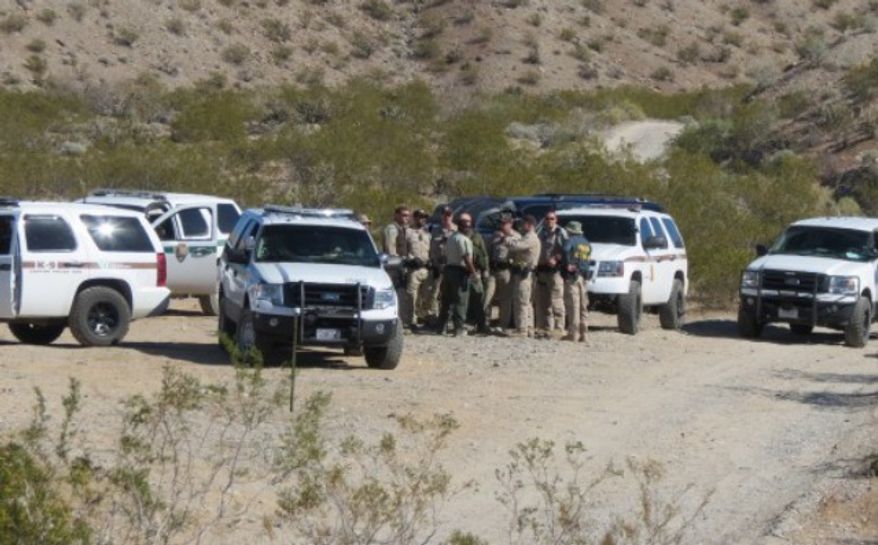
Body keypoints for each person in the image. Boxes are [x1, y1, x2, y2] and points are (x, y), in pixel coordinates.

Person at [436, 214, 477, 337]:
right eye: (466, 227)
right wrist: (474, 273)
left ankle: (441, 327)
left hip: (448, 269)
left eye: (468, 227)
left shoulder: (451, 238)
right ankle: (459, 328)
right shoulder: (464, 240)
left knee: (446, 301)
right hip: (459, 271)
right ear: (461, 227)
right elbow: (466, 258)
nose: (468, 229)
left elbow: (444, 255)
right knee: (461, 301)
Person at [504, 215, 540, 338]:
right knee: (526, 302)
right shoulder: (527, 237)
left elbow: (516, 246)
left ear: (529, 224)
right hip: (522, 272)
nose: (521, 225)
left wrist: (507, 239)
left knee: (521, 301)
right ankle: (529, 328)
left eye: (524, 223)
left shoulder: (530, 238)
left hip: (525, 273)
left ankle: (522, 329)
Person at [535, 210, 568, 338]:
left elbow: (567, 249)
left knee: (557, 301)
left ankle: (559, 328)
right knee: (544, 301)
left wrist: (556, 258)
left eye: (552, 218)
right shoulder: (541, 231)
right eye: (547, 218)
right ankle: (547, 328)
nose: (549, 221)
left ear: (556, 220)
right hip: (542, 270)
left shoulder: (561, 232)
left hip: (555, 272)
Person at [560, 221, 591, 343]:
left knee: (573, 305)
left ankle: (573, 333)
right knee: (583, 306)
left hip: (572, 277)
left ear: (570, 231)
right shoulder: (586, 243)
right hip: (583, 277)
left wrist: (567, 264)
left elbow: (565, 250)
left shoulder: (570, 241)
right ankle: (584, 333)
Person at [489, 214, 520, 334]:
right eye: (501, 223)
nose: (502, 225)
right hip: (494, 269)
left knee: (505, 299)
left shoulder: (516, 236)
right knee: (488, 295)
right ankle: (485, 322)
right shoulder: (495, 235)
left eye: (504, 223)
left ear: (510, 223)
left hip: (507, 270)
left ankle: (503, 324)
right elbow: (489, 251)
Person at [461, 213, 490, 334]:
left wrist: (485, 270)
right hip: (461, 271)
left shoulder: (477, 237)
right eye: (463, 223)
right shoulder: (457, 236)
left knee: (478, 298)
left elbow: (484, 254)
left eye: (468, 222)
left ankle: (481, 325)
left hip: (475, 271)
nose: (466, 225)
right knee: (462, 300)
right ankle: (464, 323)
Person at [426, 206, 456, 323]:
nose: (446, 217)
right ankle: (433, 317)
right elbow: (431, 249)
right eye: (444, 215)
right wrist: (434, 264)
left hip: (452, 266)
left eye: (448, 215)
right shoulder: (435, 231)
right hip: (438, 266)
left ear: (452, 216)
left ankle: (450, 317)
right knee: (434, 292)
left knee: (450, 293)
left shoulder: (457, 230)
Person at [404, 209, 431, 329]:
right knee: (412, 297)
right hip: (413, 269)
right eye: (420, 217)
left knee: (426, 296)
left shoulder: (428, 234)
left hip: (426, 269)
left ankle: (424, 318)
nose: (422, 219)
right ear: (415, 218)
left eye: (424, 217)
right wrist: (410, 259)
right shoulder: (407, 232)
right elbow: (403, 249)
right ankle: (411, 320)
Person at [383, 206, 410, 323]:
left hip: (400, 265)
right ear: (396, 215)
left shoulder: (402, 229)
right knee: (395, 293)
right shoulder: (392, 229)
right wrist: (397, 262)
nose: (406, 218)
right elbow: (391, 249)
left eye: (407, 215)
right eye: (403, 215)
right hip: (393, 266)